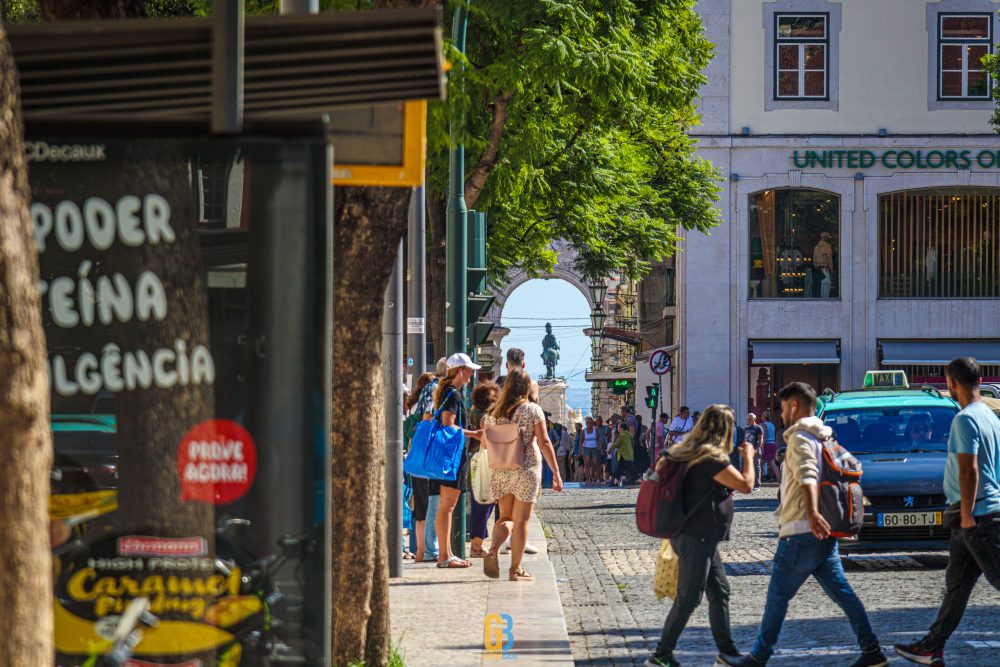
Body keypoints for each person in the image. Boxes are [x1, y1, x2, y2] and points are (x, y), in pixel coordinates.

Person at [722, 382, 887, 667]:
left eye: (784, 407)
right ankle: (872, 650)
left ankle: (758, 656)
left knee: (777, 595)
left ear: (795, 406)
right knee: (842, 592)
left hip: (802, 530)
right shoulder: (824, 437)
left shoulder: (800, 438)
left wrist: (811, 512)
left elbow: (809, 475)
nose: (782, 413)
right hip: (822, 532)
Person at [894, 357, 1000, 667]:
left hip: (976, 515)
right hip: (973, 514)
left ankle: (931, 646)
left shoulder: (965, 419)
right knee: (956, 588)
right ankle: (931, 647)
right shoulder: (992, 417)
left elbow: (969, 470)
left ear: (951, 382)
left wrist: (967, 514)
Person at [644, 404, 756, 667]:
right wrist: (749, 455)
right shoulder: (710, 458)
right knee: (689, 598)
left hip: (692, 534)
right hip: (698, 536)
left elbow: (650, 477)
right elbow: (746, 485)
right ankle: (660, 655)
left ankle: (727, 652)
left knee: (720, 591)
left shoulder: (682, 452)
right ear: (726, 430)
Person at [481, 369, 564, 581]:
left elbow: (484, 443)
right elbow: (544, 441)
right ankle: (515, 569)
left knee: (505, 517)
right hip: (526, 469)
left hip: (500, 470)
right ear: (526, 388)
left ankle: (492, 549)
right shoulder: (532, 410)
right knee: (521, 522)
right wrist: (555, 471)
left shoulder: (493, 413)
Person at [432, 353, 485, 569]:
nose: (472, 373)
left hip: (450, 455)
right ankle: (444, 556)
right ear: (460, 371)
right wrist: (475, 434)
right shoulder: (453, 395)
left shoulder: (448, 392)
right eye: (469, 369)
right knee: (447, 507)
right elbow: (448, 425)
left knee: (447, 507)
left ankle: (447, 553)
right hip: (452, 456)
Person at [411, 358, 448, 562]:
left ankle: (419, 550)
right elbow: (427, 417)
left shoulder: (427, 388)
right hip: (427, 454)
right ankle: (425, 550)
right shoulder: (436, 390)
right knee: (427, 504)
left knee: (421, 506)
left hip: (418, 451)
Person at [468, 380, 500, 559]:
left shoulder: (477, 412)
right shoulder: (479, 414)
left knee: (483, 504)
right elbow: (486, 426)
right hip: (481, 464)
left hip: (481, 463)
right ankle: (476, 546)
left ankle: (478, 543)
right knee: (482, 504)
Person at [743, 413, 765, 491]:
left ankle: (757, 485)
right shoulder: (746, 428)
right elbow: (745, 439)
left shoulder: (758, 428)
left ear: (754, 419)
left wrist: (756, 449)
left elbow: (760, 440)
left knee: (756, 467)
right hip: (747, 450)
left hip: (755, 450)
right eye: (747, 419)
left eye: (749, 419)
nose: (748, 421)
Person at [610, 422, 635, 486]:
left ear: (621, 428)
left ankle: (638, 480)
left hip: (625, 455)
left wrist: (608, 449)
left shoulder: (623, 435)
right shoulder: (628, 434)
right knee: (619, 468)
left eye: (618, 427)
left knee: (631, 469)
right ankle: (616, 481)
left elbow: (616, 443)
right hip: (625, 454)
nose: (618, 429)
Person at [761, 409, 779, 483]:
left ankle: (760, 478)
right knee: (772, 462)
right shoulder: (772, 425)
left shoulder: (764, 425)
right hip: (773, 443)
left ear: (764, 417)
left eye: (762, 416)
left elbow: (764, 435)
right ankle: (779, 477)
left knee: (761, 462)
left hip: (767, 444)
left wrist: (762, 445)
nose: (761, 417)